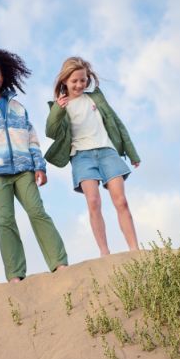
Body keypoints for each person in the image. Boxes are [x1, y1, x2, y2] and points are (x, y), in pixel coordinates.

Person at [0, 47, 68, 282]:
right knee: (5, 221)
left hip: (24, 170)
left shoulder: (18, 107)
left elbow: (32, 137)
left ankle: (59, 263)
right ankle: (15, 274)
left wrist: (39, 165)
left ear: (4, 75)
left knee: (37, 212)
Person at [45, 56, 140, 257]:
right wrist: (57, 110)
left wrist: (132, 153)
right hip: (81, 157)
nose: (80, 84)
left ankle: (134, 249)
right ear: (64, 81)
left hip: (107, 152)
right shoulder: (60, 106)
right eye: (74, 81)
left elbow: (116, 122)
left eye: (83, 80)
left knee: (121, 201)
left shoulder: (95, 98)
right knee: (94, 202)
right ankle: (104, 252)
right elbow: (51, 131)